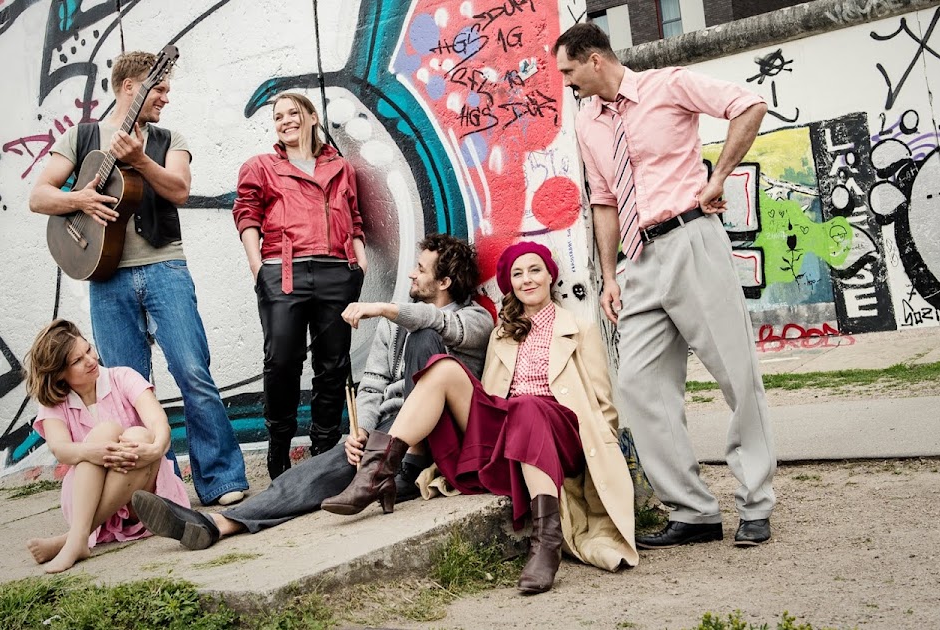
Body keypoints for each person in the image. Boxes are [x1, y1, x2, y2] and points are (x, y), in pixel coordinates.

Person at [553, 23, 776, 548]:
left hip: (691, 240)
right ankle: (693, 511)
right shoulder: (587, 122)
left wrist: (718, 177)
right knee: (638, 385)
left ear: (595, 60)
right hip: (639, 260)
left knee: (736, 376)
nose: (566, 82)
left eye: (569, 71)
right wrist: (611, 275)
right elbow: (604, 200)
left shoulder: (668, 84)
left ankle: (755, 503)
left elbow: (749, 104)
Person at [129, 234, 492, 548]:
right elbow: (373, 383)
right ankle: (219, 523)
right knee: (319, 470)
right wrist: (361, 431)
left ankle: (404, 462)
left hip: (434, 438)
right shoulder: (392, 327)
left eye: (421, 269)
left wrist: (383, 308)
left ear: (444, 282)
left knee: (426, 337)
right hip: (387, 438)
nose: (412, 273)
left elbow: (437, 322)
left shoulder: (475, 319)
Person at [322, 241, 638, 595]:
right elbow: (489, 394)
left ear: (550, 276)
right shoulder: (501, 334)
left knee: (528, 405)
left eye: (535, 270)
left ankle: (546, 543)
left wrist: (605, 453)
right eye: (518, 274)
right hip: (511, 430)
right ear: (510, 285)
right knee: (443, 368)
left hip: (560, 431)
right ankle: (378, 472)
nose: (527, 279)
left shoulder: (580, 329)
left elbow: (602, 405)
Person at [29, 51, 249, 507]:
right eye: (159, 89)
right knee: (124, 390)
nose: (166, 98)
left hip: (165, 267)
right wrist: (80, 200)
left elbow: (180, 190)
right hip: (106, 277)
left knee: (193, 371)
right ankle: (156, 491)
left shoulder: (169, 140)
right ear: (131, 87)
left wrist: (142, 162)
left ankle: (222, 479)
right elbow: (39, 196)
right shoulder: (82, 137)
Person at [231, 91, 369, 479]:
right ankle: (279, 446)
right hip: (283, 272)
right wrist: (258, 267)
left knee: (333, 364)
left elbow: (354, 217)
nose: (285, 121)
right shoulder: (260, 166)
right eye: (278, 117)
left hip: (337, 271)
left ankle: (324, 448)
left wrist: (359, 262)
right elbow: (246, 215)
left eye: (293, 113)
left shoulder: (341, 167)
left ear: (311, 117)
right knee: (282, 361)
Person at [22, 319, 191, 573]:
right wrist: (95, 452)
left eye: (88, 350)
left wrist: (156, 449)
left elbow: (158, 422)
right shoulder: (54, 404)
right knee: (105, 432)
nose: (91, 360)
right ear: (59, 374)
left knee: (140, 436)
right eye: (77, 361)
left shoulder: (122, 377)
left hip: (141, 498)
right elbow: (60, 449)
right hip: (87, 497)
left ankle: (75, 538)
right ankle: (79, 536)